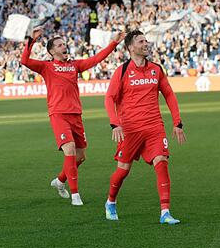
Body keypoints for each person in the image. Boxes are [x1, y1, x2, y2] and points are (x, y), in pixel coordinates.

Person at [20, 26, 121, 206]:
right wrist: (31, 39)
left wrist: (114, 43)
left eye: (64, 44)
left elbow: (96, 59)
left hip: (76, 115)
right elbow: (25, 60)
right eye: (59, 45)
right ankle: (75, 195)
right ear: (52, 51)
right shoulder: (46, 67)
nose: (64, 46)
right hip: (58, 114)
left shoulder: (74, 65)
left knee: (80, 156)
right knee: (70, 149)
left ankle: (60, 181)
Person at [103, 30, 186, 225]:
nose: (146, 44)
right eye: (141, 41)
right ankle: (111, 201)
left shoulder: (156, 69)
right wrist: (115, 124)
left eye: (146, 41)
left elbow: (169, 94)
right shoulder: (122, 71)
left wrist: (177, 122)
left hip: (154, 126)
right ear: (131, 47)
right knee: (123, 170)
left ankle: (165, 212)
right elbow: (109, 98)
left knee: (161, 162)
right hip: (130, 129)